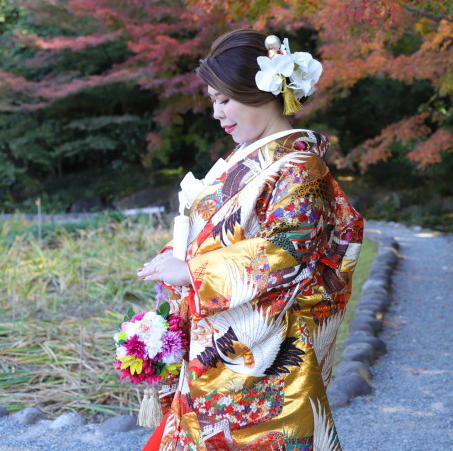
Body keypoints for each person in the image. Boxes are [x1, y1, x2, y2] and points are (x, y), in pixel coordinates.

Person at [136, 29, 363, 451]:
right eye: (213, 102)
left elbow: (286, 251)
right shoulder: (246, 160)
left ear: (262, 93)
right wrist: (175, 258)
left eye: (224, 100)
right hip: (219, 337)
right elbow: (217, 234)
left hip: (264, 348)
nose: (217, 113)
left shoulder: (300, 167)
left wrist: (192, 271)